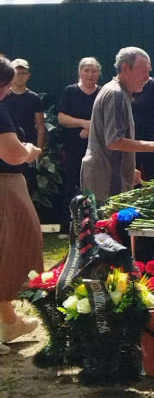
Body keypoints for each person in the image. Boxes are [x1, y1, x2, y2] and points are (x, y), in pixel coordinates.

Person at [80, 47, 154, 204]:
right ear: (125, 68)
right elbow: (114, 141)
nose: (148, 78)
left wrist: (127, 168)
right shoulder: (116, 94)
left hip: (108, 177)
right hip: (106, 181)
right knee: (106, 227)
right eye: (143, 71)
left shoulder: (118, 92)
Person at [0, 56, 42, 356]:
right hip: (5, 183)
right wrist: (30, 151)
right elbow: (13, 154)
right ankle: (9, 320)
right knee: (16, 245)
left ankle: (9, 320)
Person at [57, 57, 101, 237]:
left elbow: (109, 120)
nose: (90, 74)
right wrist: (85, 124)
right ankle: (67, 227)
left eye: (93, 71)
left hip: (98, 148)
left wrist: (91, 131)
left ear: (99, 73)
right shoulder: (70, 92)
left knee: (97, 186)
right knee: (72, 185)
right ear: (80, 72)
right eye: (86, 70)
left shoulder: (104, 92)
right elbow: (62, 118)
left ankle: (96, 225)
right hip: (75, 148)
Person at [3, 59, 44, 149]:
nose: (20, 76)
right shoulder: (3, 96)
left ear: (28, 75)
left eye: (23, 73)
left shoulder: (34, 98)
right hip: (6, 145)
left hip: (29, 146)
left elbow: (40, 127)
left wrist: (39, 150)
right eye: (17, 73)